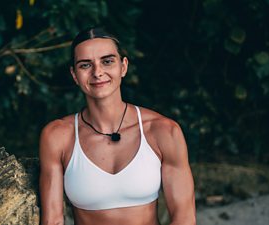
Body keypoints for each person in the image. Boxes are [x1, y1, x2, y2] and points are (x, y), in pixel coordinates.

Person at [39, 27, 196, 225]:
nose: (98, 72)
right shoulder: (57, 136)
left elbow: (185, 217)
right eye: (85, 65)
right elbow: (52, 220)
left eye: (107, 61)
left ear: (123, 66)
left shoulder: (163, 131)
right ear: (74, 74)